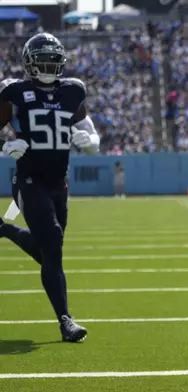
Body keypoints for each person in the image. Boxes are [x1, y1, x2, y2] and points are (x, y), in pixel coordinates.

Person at [0, 33, 100, 342]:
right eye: (42, 60)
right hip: (28, 179)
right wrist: (6, 144)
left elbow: (87, 127)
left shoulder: (73, 90)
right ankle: (66, 320)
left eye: (52, 60)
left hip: (59, 182)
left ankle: (3, 229)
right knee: (53, 241)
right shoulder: (14, 91)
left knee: (48, 254)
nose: (47, 65)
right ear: (29, 63)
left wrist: (92, 141)